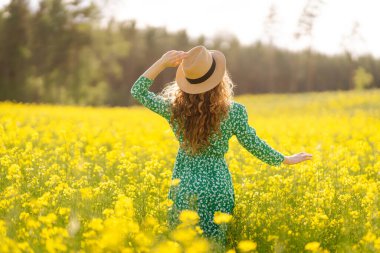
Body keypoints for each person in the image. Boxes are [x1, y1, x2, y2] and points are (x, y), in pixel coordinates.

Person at [130, 45, 312, 252]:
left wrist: (162, 62)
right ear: (219, 80)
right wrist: (285, 159)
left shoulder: (175, 109)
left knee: (183, 246)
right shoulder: (234, 112)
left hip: (185, 189)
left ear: (187, 82)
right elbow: (253, 143)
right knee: (214, 247)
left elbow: (138, 91)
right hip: (218, 189)